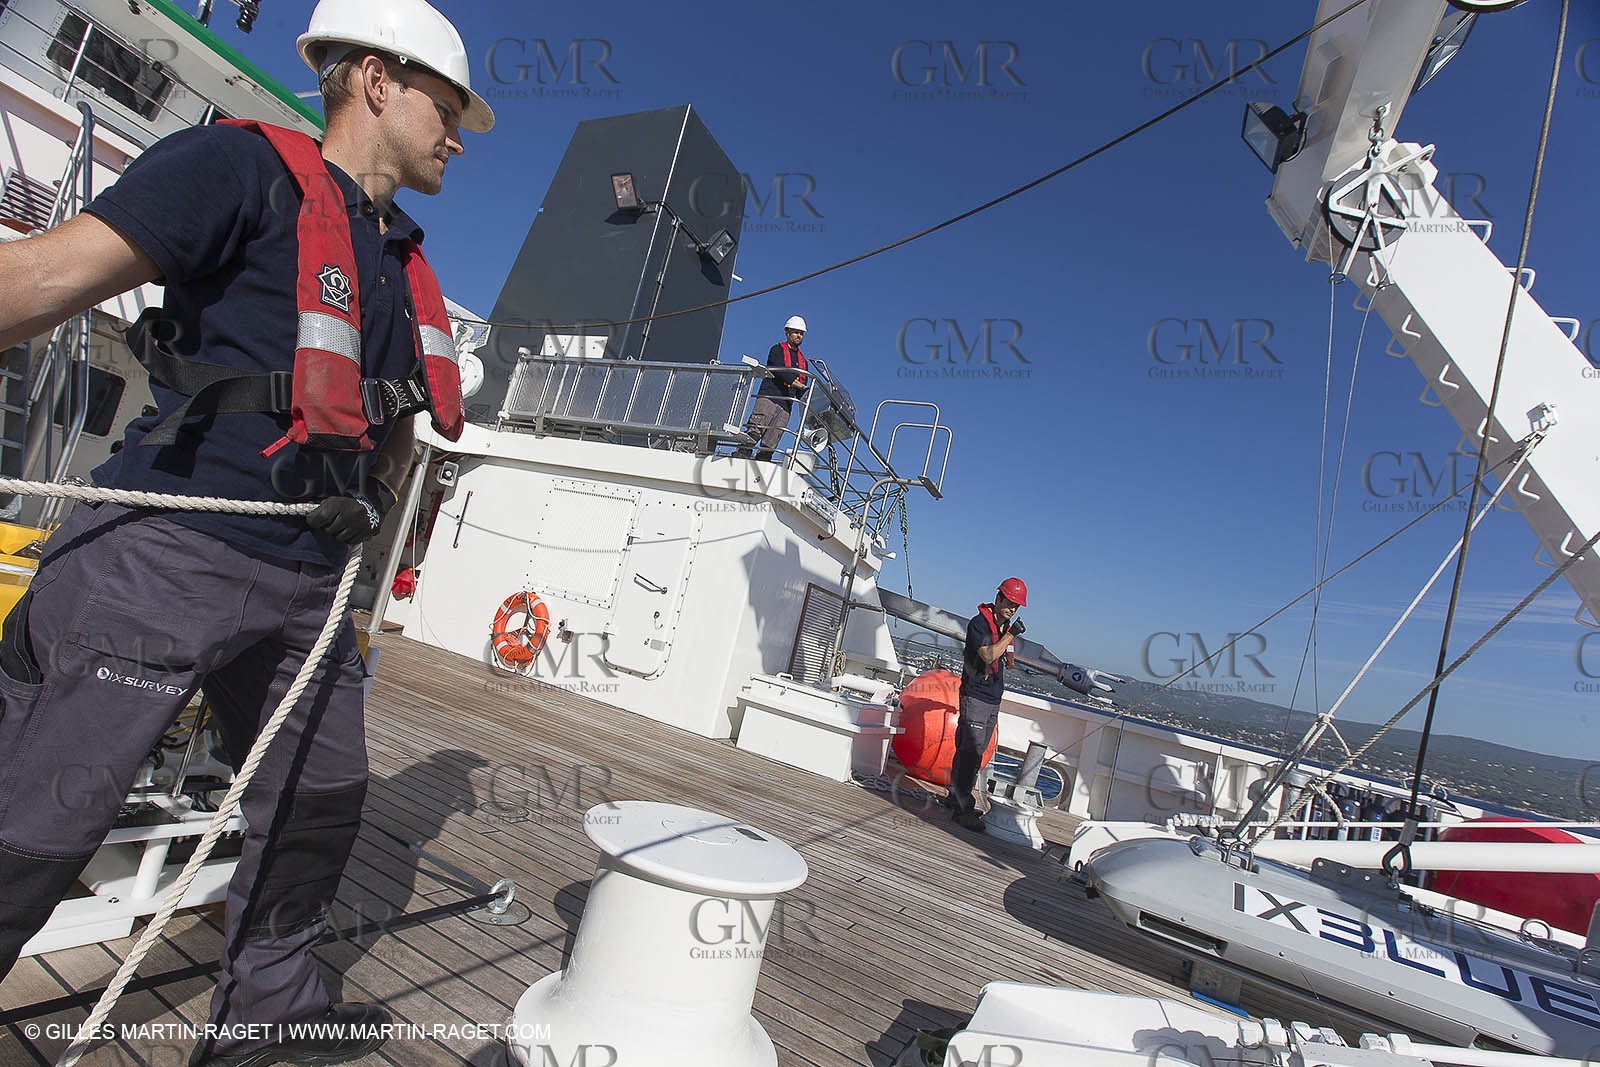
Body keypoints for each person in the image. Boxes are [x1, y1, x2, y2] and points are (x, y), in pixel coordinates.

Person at [0, 1, 493, 1064]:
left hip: (312, 581)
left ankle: (264, 1025)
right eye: (447, 107)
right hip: (166, 551)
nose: (458, 134)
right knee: (39, 817)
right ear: (375, 80)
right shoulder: (232, 170)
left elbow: (392, 437)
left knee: (319, 806)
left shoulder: (401, 262)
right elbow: (42, 280)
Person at [946, 578, 1029, 832]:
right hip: (976, 695)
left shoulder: (1000, 628)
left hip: (991, 697)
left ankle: (956, 798)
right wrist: (1011, 634)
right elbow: (988, 654)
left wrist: (1007, 633)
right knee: (970, 752)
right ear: (999, 598)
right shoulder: (979, 624)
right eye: (1010, 603)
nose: (1012, 609)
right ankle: (962, 809)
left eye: (1017, 606)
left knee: (973, 751)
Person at [737, 314, 810, 461]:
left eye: (801, 333)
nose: (798, 335)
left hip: (786, 404)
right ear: (787, 332)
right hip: (770, 396)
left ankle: (762, 462)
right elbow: (780, 370)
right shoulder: (777, 350)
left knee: (773, 438)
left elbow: (803, 387)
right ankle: (740, 455)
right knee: (755, 429)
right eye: (796, 332)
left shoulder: (803, 362)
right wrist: (798, 385)